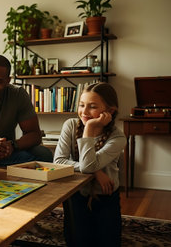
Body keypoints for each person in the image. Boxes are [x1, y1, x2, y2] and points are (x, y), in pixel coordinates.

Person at [54, 82, 126, 247]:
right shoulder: (70, 125)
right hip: (76, 193)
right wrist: (97, 173)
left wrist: (89, 129)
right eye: (81, 105)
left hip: (105, 195)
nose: (84, 112)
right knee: (78, 242)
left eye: (92, 107)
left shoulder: (118, 138)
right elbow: (58, 161)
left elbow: (86, 166)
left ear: (110, 111)